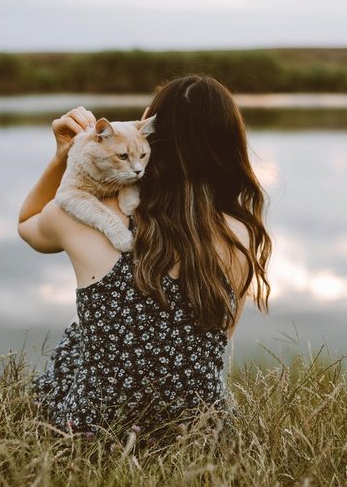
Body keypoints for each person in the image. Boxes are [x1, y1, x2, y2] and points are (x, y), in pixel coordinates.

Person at [17, 74, 271, 437]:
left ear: (151, 135)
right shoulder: (240, 233)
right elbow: (215, 340)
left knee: (79, 341)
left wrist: (63, 158)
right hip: (198, 432)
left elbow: (28, 224)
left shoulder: (84, 214)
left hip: (96, 431)